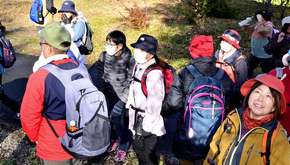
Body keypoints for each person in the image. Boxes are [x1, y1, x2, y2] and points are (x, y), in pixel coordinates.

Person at [20, 22, 83, 164]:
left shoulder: (39, 76)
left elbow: (29, 115)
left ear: (48, 49)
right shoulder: (81, 70)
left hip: (54, 146)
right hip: (80, 140)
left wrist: (35, 138)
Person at [167, 35, 235, 165]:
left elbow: (173, 103)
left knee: (186, 161)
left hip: (188, 136)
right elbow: (235, 99)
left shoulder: (184, 73)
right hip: (215, 134)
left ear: (192, 50)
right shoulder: (222, 74)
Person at [205, 74, 290, 165]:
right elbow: (213, 150)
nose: (260, 99)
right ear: (249, 95)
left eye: (268, 96)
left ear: (274, 107)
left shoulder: (277, 138)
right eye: (257, 92)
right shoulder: (233, 119)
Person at [126, 34, 166, 165]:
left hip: (147, 122)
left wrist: (147, 127)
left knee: (147, 155)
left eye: (142, 50)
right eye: (137, 48)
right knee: (139, 150)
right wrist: (128, 108)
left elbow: (155, 103)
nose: (137, 51)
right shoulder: (138, 66)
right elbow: (133, 88)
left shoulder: (154, 73)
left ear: (150, 54)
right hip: (135, 117)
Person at [97, 30, 135, 163]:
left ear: (120, 46)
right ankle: (114, 139)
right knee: (111, 121)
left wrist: (122, 101)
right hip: (108, 96)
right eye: (106, 43)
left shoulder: (130, 59)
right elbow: (100, 77)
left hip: (122, 99)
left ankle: (124, 145)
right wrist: (102, 95)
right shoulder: (103, 56)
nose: (107, 47)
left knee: (122, 124)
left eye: (110, 44)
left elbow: (131, 82)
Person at [241, 10, 275, 78]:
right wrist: (246, 23)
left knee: (267, 72)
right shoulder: (257, 26)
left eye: (260, 17)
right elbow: (247, 30)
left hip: (265, 55)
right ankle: (247, 80)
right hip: (255, 53)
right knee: (249, 68)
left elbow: (261, 31)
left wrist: (260, 21)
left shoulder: (269, 27)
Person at [58, 0, 88, 64]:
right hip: (66, 52)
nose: (64, 14)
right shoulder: (64, 22)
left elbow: (74, 38)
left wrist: (67, 24)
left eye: (66, 12)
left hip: (77, 53)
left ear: (72, 12)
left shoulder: (80, 22)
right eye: (62, 12)